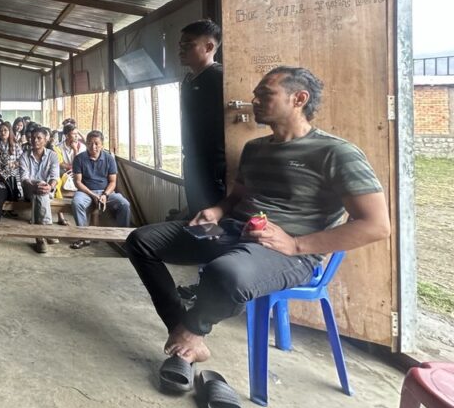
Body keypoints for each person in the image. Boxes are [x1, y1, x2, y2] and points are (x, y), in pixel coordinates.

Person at [124, 66, 389, 378]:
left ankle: (191, 332)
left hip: (286, 252)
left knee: (225, 274)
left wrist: (295, 244)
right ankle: (183, 330)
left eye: (265, 94)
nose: (254, 101)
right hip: (231, 230)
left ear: (299, 99)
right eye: (256, 95)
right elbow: (237, 197)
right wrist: (218, 211)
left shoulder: (336, 153)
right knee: (141, 241)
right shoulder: (255, 148)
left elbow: (376, 225)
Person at [179, 19, 226, 214]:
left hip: (213, 165)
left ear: (209, 47)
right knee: (197, 214)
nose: (181, 50)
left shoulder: (220, 78)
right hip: (192, 159)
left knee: (212, 217)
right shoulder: (188, 80)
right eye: (181, 45)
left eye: (188, 45)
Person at [69, 131, 131, 249]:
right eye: (90, 143)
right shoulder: (79, 158)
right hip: (86, 192)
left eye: (96, 143)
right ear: (86, 144)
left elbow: (112, 182)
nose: (93, 146)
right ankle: (84, 237)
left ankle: (124, 239)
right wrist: (92, 195)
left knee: (124, 204)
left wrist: (105, 195)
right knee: (77, 203)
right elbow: (78, 182)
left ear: (102, 145)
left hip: (105, 192)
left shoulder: (109, 159)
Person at [19, 126, 61, 254]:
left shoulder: (52, 156)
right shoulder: (24, 156)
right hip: (29, 190)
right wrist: (35, 186)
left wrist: (50, 187)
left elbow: (55, 177)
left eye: (39, 138)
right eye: (33, 138)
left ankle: (40, 238)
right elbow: (24, 179)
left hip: (47, 191)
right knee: (39, 188)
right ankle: (48, 230)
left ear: (45, 140)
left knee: (41, 193)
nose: (35, 140)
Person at [54, 124, 84, 226]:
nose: (76, 136)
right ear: (66, 136)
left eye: (77, 134)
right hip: (63, 174)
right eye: (74, 134)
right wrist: (71, 167)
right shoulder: (58, 147)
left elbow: (79, 164)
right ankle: (60, 216)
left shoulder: (81, 147)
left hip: (79, 174)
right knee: (56, 184)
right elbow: (60, 164)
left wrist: (75, 150)